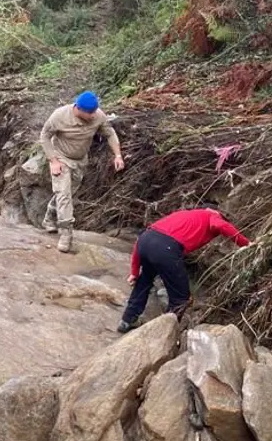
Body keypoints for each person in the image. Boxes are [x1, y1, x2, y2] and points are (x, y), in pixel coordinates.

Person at [118, 204, 250, 332]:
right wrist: (247, 244)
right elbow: (220, 225)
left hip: (145, 241)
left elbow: (142, 239)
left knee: (144, 280)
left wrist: (134, 273)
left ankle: (128, 319)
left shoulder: (184, 215)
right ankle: (165, 333)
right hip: (166, 248)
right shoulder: (211, 215)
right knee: (181, 298)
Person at [39, 91, 124, 253]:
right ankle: (66, 233)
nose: (93, 116)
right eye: (90, 113)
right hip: (61, 157)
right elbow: (44, 136)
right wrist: (53, 160)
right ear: (78, 109)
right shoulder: (59, 116)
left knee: (68, 193)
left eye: (94, 112)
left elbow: (110, 133)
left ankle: (49, 217)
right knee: (63, 194)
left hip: (80, 160)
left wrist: (118, 155)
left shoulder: (98, 116)